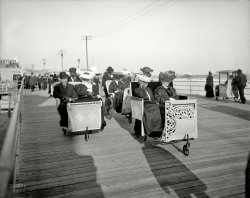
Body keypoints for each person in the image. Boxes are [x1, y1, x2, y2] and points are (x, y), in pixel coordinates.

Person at [133, 74, 162, 141]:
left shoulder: (149, 89)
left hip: (151, 104)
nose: (147, 84)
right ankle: (150, 131)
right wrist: (142, 87)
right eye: (145, 83)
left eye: (147, 83)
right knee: (154, 108)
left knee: (157, 107)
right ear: (141, 82)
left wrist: (155, 102)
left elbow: (152, 98)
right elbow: (142, 96)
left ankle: (156, 131)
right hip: (143, 104)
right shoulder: (137, 90)